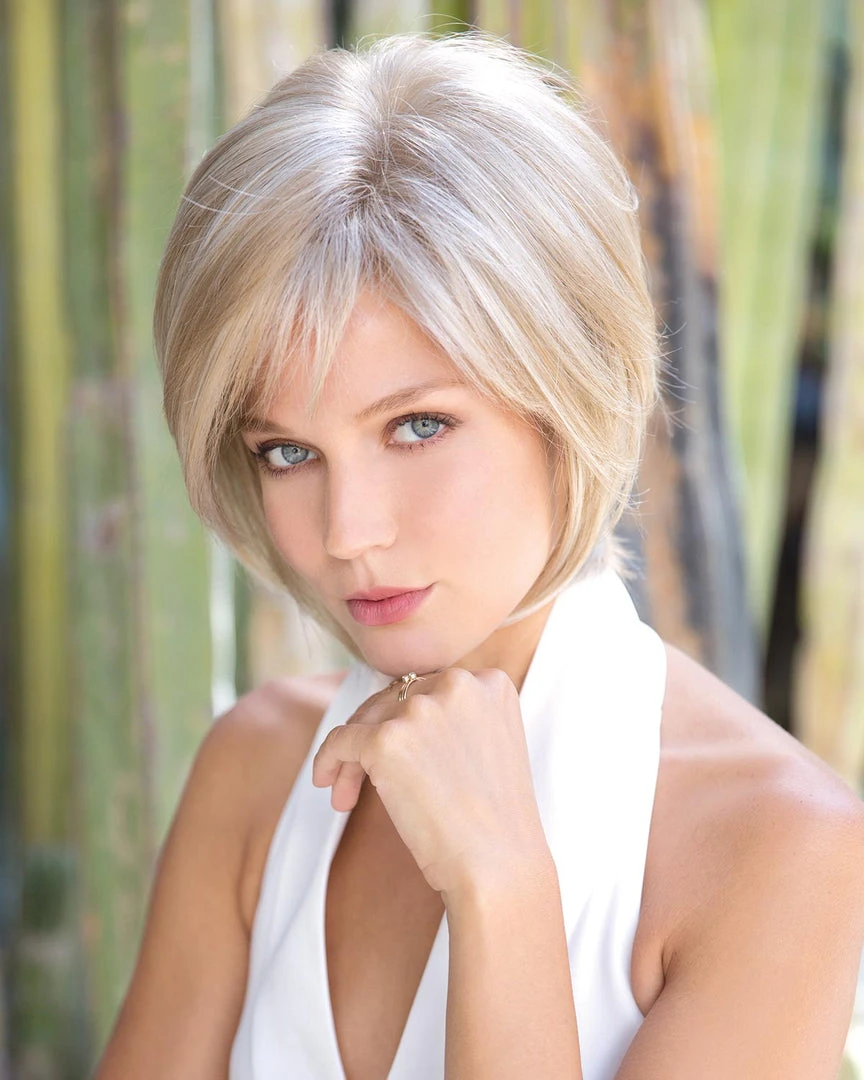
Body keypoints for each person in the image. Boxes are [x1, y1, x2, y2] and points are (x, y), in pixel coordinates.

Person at [94, 29, 864, 1080]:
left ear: (570, 388)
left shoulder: (780, 847)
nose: (347, 532)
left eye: (417, 427)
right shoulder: (257, 773)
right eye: (288, 452)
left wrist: (500, 886)